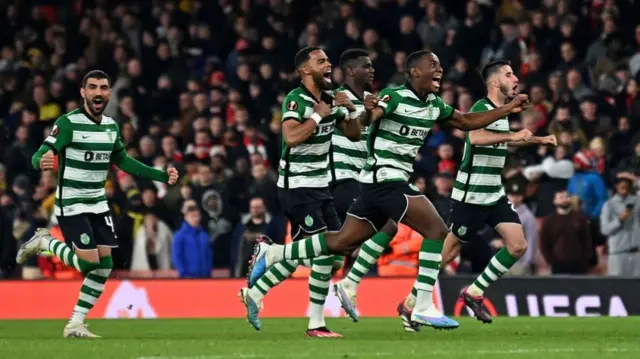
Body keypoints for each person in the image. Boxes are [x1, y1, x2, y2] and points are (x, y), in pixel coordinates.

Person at [246, 50, 530, 331]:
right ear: (415, 72)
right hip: (382, 178)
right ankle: (421, 306)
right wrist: (370, 112)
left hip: (371, 184)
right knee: (436, 229)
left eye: (440, 65)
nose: (439, 70)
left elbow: (466, 122)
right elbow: (368, 121)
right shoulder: (394, 96)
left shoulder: (433, 104)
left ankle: (272, 255)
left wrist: (507, 108)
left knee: (342, 243)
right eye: (433, 65)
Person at [14, 70, 179, 338]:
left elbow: (124, 162)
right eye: (92, 87)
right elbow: (41, 153)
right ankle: (45, 242)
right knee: (89, 264)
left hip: (98, 203)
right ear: (83, 92)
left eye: (103, 87)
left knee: (105, 266)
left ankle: (75, 323)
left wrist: (161, 175)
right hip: (72, 202)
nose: (98, 92)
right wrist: (40, 160)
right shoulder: (68, 123)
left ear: (109, 93)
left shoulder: (111, 126)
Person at [238, 47, 362, 337]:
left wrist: (351, 110)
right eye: (321, 61)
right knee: (322, 252)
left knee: (334, 255)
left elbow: (354, 134)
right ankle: (315, 324)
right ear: (305, 70)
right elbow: (291, 137)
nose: (329, 64)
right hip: (297, 187)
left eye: (329, 60)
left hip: (321, 186)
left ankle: (258, 290)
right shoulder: (296, 100)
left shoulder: (331, 99)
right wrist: (318, 117)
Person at [435, 60, 556, 324]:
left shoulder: (501, 112)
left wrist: (538, 139)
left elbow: (504, 140)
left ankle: (475, 291)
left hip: (493, 193)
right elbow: (476, 138)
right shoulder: (481, 107)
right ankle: (412, 300)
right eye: (509, 75)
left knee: (517, 245)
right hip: (471, 194)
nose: (515, 79)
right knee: (449, 252)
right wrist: (511, 137)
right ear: (493, 82)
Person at [325, 49, 398, 323]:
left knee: (334, 249)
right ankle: (350, 283)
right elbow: (353, 134)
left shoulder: (372, 100)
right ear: (350, 71)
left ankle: (270, 263)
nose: (372, 70)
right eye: (366, 66)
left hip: (365, 179)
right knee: (388, 222)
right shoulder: (335, 99)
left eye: (372, 66)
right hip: (341, 178)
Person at [600, 175, 640, 277]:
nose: (623, 185)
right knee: (618, 288)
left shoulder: (638, 202)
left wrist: (635, 180)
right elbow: (604, 230)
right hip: (618, 254)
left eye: (626, 184)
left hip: (637, 253)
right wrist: (619, 220)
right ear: (616, 186)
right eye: (620, 184)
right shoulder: (609, 205)